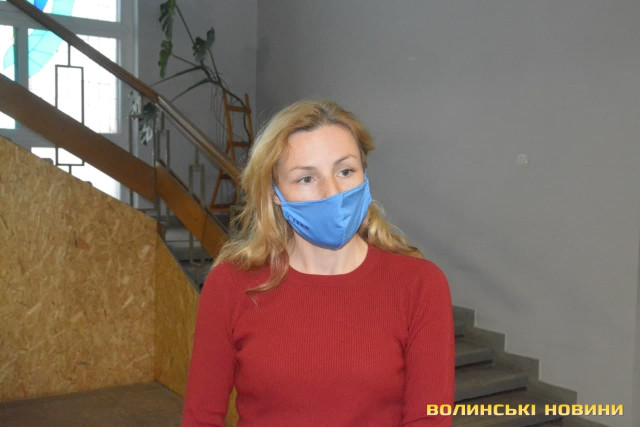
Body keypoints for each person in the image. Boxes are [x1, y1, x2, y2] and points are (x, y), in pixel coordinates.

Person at [181, 100, 455, 426]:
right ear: (275, 192)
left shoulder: (419, 284)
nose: (332, 193)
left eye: (345, 171)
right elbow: (201, 417)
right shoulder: (231, 285)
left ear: (364, 174)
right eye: (306, 178)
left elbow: (430, 418)